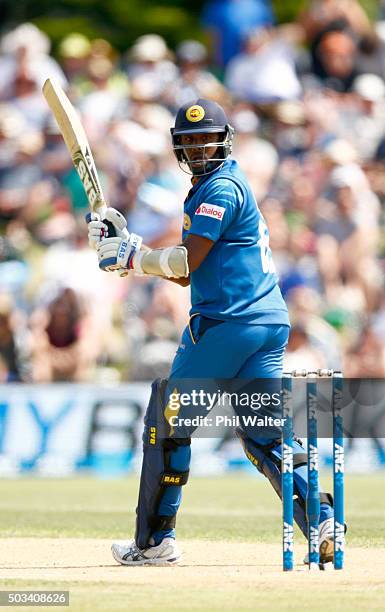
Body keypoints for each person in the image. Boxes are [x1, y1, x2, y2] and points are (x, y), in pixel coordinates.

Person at [87, 99, 336, 566]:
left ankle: (154, 542)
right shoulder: (214, 186)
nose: (199, 148)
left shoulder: (220, 189)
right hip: (265, 323)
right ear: (179, 146)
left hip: (228, 324)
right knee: (264, 434)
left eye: (206, 139)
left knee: (168, 420)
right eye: (190, 141)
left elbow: (184, 262)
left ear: (225, 140)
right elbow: (186, 270)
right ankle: (323, 519)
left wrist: (131, 256)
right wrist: (128, 242)